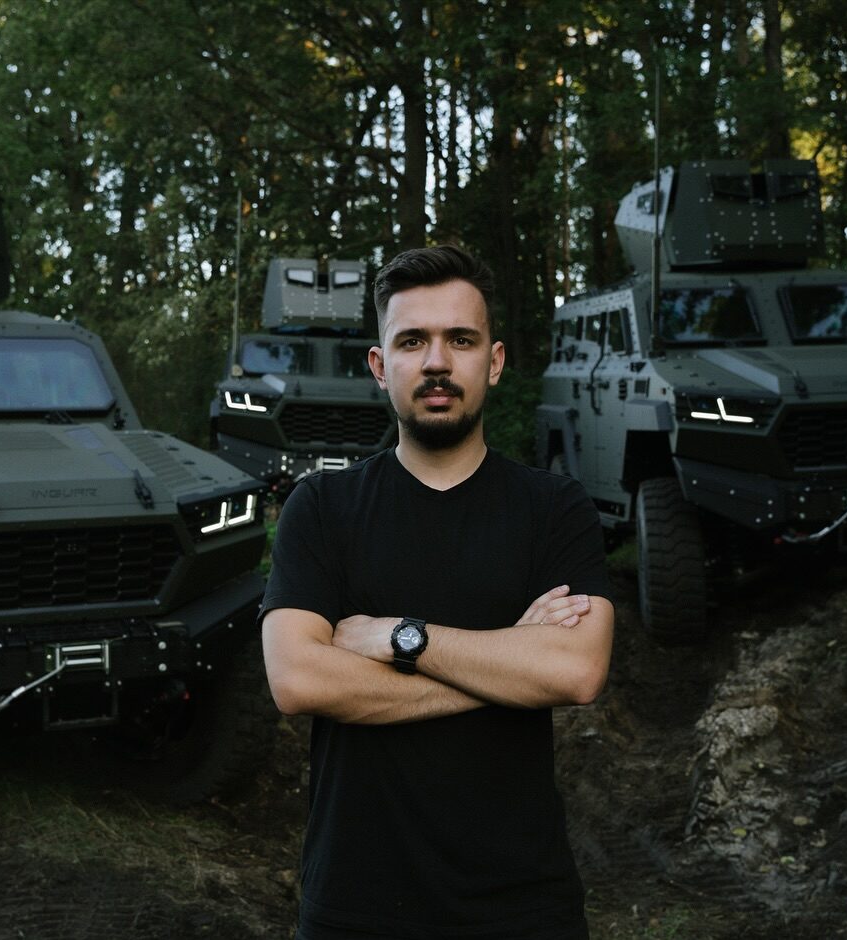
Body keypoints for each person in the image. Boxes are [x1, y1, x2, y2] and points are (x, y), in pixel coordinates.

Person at [260, 244, 615, 940]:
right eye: (412, 340)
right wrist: (511, 661)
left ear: (496, 361)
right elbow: (298, 680)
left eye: (461, 339)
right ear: (379, 365)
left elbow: (575, 671)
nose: (436, 362)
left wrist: (400, 639)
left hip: (523, 910)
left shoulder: (554, 507)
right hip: (354, 909)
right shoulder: (321, 508)